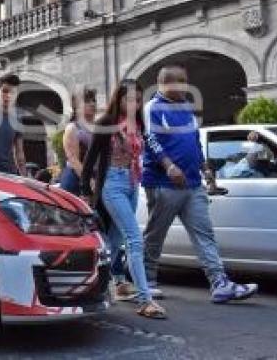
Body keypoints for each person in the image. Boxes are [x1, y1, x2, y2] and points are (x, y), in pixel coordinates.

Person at [142, 64, 258, 303]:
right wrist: (168, 166)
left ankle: (219, 283)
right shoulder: (152, 107)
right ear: (166, 84)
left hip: (193, 183)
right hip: (164, 183)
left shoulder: (186, 107)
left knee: (204, 233)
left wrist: (205, 168)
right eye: (181, 82)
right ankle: (146, 281)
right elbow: (150, 139)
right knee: (156, 234)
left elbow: (194, 140)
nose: (186, 86)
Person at [82, 79, 166, 319]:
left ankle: (96, 284)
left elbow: (142, 154)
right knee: (135, 239)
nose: (133, 104)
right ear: (118, 99)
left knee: (113, 241)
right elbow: (90, 161)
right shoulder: (106, 123)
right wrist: (86, 192)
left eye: (137, 100)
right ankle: (144, 299)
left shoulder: (138, 123)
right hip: (113, 184)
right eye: (128, 99)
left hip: (132, 182)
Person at [59, 88, 96, 195]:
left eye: (94, 100)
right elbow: (73, 160)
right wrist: (88, 180)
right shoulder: (72, 128)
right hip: (74, 180)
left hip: (94, 179)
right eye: (87, 101)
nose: (92, 104)